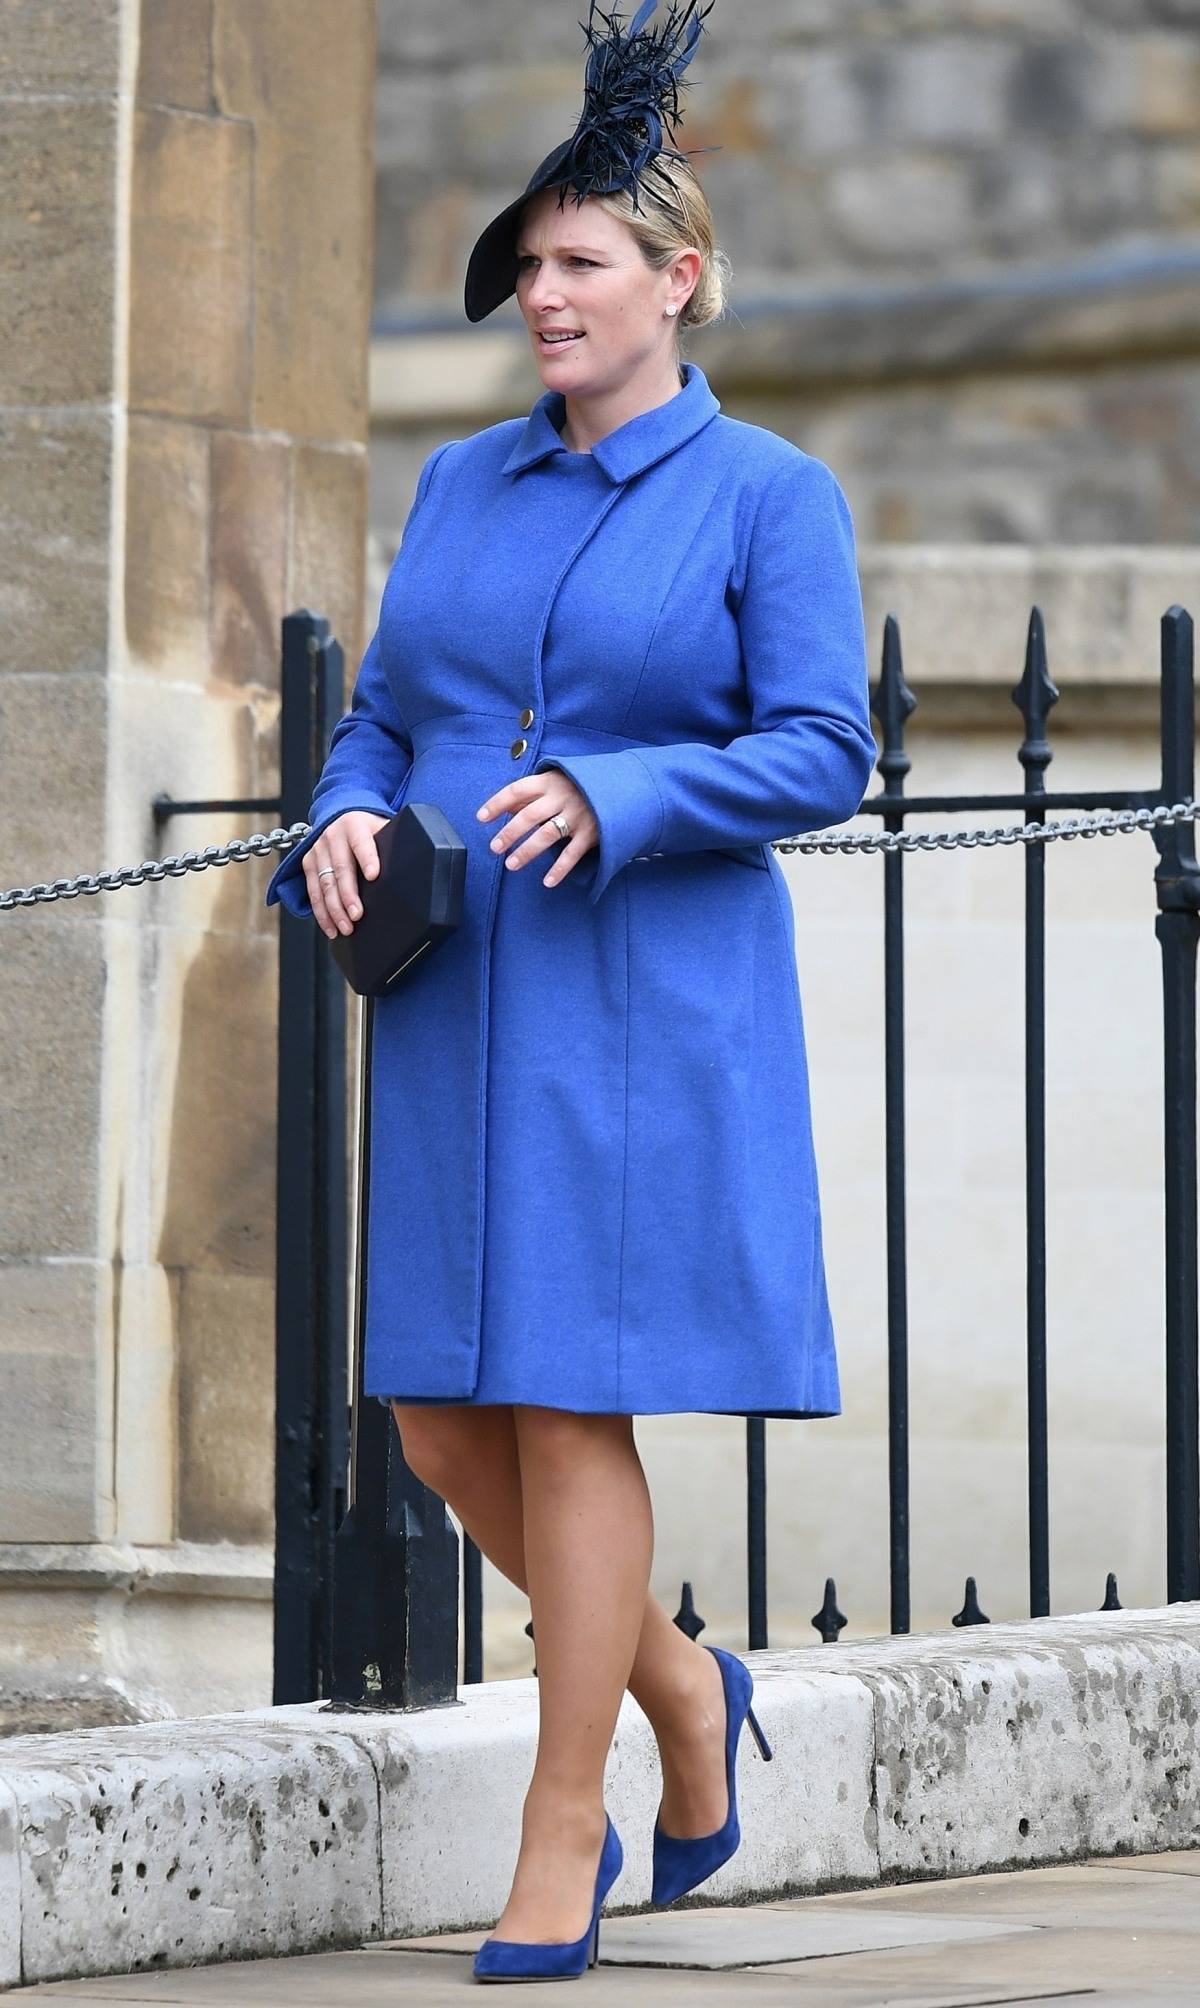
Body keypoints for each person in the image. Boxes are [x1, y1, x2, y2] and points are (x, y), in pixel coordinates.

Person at [268, 0, 874, 1984]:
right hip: (455, 1000)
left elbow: (819, 746)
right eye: (527, 264)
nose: (543, 293)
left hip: (637, 999)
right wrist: (343, 816)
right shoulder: (461, 484)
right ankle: (689, 1688)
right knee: (440, 1413)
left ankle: (566, 1814)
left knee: (561, 1391)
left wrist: (618, 791)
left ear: (679, 278)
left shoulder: (765, 494)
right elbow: (380, 716)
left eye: (580, 261)